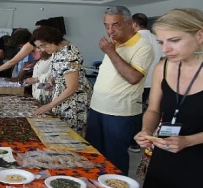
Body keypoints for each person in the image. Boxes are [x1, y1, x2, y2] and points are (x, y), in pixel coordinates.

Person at [134, 8, 203, 188]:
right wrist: (147, 130)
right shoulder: (163, 66)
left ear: (200, 35)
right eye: (160, 42)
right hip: (165, 156)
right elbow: (153, 109)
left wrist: (189, 140)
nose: (165, 49)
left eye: (174, 40)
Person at [85, 6, 154, 175]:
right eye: (106, 26)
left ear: (130, 23)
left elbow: (133, 77)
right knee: (93, 156)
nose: (110, 30)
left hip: (120, 112)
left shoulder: (143, 46)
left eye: (115, 25)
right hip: (97, 108)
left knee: (115, 159)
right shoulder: (114, 44)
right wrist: (111, 50)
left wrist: (110, 52)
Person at [30, 26, 93, 137]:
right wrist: (52, 80)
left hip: (74, 103)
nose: (43, 49)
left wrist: (48, 106)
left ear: (53, 39)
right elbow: (60, 71)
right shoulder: (57, 50)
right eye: (40, 47)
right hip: (62, 99)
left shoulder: (69, 54)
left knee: (70, 137)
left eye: (44, 45)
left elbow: (72, 87)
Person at [129, 12, 164, 153]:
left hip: (137, 82)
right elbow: (163, 59)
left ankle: (134, 142)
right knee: (147, 110)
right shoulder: (157, 38)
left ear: (135, 24)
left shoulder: (135, 39)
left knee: (134, 113)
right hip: (154, 83)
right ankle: (141, 140)